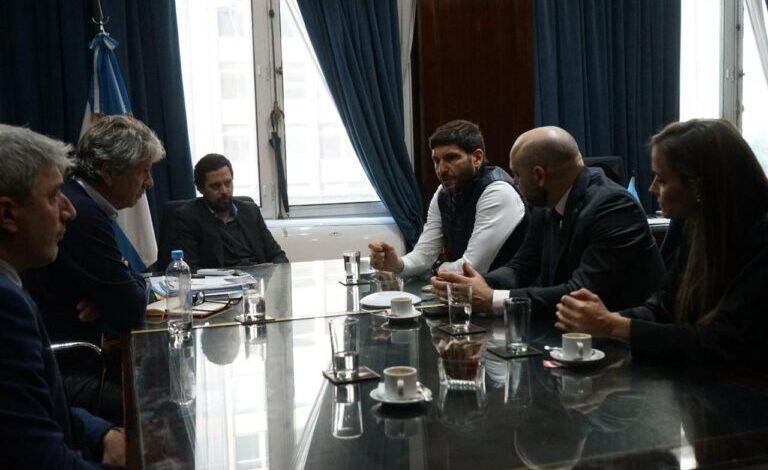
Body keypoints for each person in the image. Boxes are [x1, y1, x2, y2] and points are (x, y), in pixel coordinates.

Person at [555, 119, 768, 370]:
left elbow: (724, 341)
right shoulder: (696, 228)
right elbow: (665, 307)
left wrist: (613, 326)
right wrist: (606, 319)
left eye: (662, 179)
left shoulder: (761, 237)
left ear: (698, 185)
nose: (652, 188)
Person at [433, 126, 665, 317]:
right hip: (570, 335)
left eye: (517, 174)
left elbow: (579, 292)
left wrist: (492, 298)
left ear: (539, 175)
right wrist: (471, 284)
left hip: (621, 346)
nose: (514, 182)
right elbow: (521, 267)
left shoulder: (613, 207)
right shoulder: (545, 204)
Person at [22, 115, 165, 422]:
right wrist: (116, 295)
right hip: (64, 370)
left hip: (78, 354)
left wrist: (111, 295)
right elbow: (129, 308)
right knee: (163, 402)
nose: (150, 183)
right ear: (109, 172)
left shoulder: (81, 201)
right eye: (144, 170)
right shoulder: (83, 214)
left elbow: (123, 293)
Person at [0, 124, 125, 468]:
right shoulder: (5, 305)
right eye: (54, 196)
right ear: (8, 214)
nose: (70, 211)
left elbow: (35, 406)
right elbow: (37, 458)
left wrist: (100, 434)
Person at [369, 120, 528, 277]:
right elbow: (424, 254)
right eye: (436, 161)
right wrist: (397, 264)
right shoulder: (442, 192)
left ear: (477, 158)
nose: (441, 169)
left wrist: (435, 268)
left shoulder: (497, 192)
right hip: (469, 293)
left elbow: (471, 268)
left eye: (451, 158)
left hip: (509, 296)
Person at [162, 153, 288, 271]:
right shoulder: (187, 218)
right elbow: (190, 270)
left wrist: (270, 269)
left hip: (256, 287)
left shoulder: (250, 211)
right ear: (201, 189)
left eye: (228, 183)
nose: (224, 191)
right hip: (219, 289)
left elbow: (279, 257)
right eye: (215, 186)